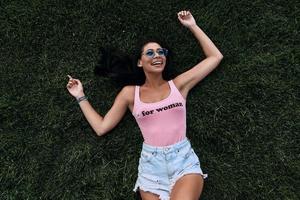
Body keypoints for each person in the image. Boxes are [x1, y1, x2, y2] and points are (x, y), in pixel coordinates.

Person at [66, 10, 223, 200]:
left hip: (183, 161)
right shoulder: (130, 94)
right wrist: (80, 96)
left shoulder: (178, 85)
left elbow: (215, 57)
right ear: (140, 62)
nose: (157, 55)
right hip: (151, 166)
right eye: (150, 52)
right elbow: (101, 127)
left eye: (160, 52)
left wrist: (192, 25)